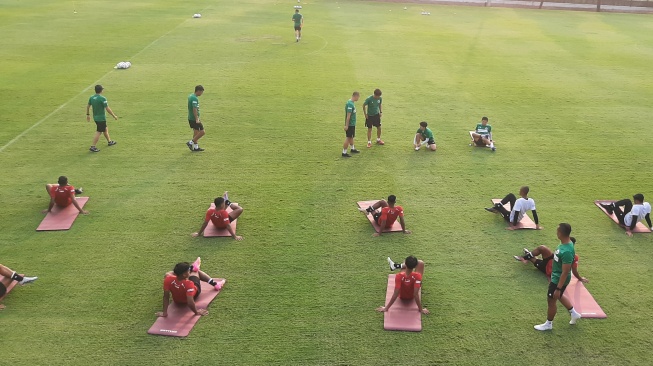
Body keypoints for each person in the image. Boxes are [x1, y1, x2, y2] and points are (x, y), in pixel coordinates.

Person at [533, 223, 582, 331]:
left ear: (560, 233)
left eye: (557, 231)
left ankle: (548, 324)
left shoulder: (567, 251)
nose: (556, 232)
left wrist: (558, 288)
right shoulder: (564, 244)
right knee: (558, 296)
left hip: (558, 279)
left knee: (551, 300)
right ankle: (574, 313)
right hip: (556, 276)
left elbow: (565, 272)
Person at [155, 258, 224, 318]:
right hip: (193, 294)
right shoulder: (189, 284)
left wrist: (164, 313)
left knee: (167, 274)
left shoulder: (168, 279)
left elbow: (166, 297)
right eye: (188, 271)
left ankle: (192, 267)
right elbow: (190, 301)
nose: (189, 272)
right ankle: (215, 284)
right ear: (184, 274)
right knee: (196, 272)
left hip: (177, 300)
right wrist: (196, 312)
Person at [514, 237, 588, 284]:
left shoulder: (574, 257)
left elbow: (574, 270)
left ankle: (528, 255)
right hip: (551, 260)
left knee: (534, 260)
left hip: (549, 269)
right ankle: (524, 257)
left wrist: (580, 278)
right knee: (542, 248)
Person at [87, 84, 118, 153]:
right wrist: (114, 115)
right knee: (99, 131)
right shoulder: (102, 98)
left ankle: (109, 141)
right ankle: (93, 146)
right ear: (101, 90)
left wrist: (88, 115)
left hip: (95, 117)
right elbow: (107, 108)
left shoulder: (91, 97)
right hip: (101, 118)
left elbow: (88, 106)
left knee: (105, 129)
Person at [186, 85, 205, 152]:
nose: (201, 94)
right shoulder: (194, 98)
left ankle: (196, 147)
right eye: (201, 92)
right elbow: (194, 109)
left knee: (196, 132)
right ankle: (190, 142)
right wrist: (197, 118)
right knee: (202, 132)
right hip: (194, 119)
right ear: (198, 91)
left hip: (191, 117)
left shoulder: (191, 96)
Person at [342, 92, 361, 157]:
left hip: (352, 124)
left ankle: (352, 148)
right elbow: (348, 116)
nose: (358, 98)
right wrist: (346, 125)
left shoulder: (351, 103)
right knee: (348, 137)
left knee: (351, 137)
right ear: (355, 96)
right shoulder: (350, 104)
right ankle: (344, 152)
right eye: (358, 97)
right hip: (350, 124)